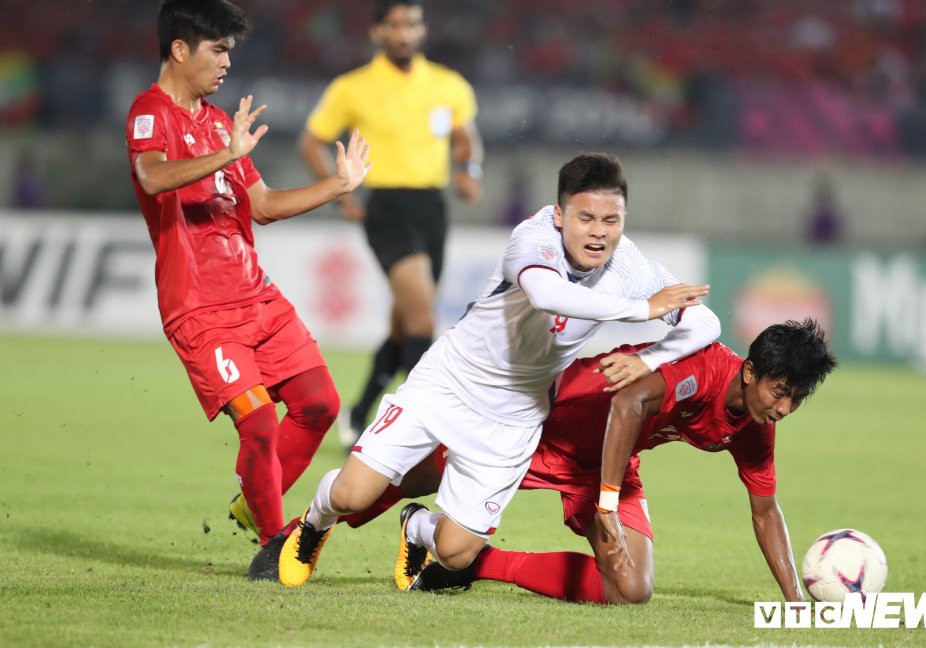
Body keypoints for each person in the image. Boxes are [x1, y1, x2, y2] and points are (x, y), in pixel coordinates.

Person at [273, 152, 721, 587]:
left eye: (612, 221)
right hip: (450, 381)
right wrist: (643, 309)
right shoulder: (534, 238)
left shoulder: (631, 266)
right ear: (561, 214)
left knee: (454, 552)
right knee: (352, 496)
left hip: (514, 417)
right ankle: (315, 523)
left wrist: (648, 358)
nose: (599, 233)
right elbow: (547, 295)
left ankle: (416, 528)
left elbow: (706, 322)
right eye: (586, 218)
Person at [125, 0, 370, 579]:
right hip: (200, 309)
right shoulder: (149, 112)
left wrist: (338, 185)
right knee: (258, 424)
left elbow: (261, 206)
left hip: (257, 298)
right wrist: (226, 154)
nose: (227, 61)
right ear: (180, 49)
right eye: (218, 49)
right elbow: (151, 176)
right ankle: (273, 541)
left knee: (320, 404)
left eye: (231, 49)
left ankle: (251, 498)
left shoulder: (216, 122)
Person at [406, 319, 838, 604]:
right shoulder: (704, 370)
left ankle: (478, 565)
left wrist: (796, 603)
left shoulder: (756, 425)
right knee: (408, 475)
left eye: (795, 400)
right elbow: (629, 401)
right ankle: (406, 521)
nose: (784, 408)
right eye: (779, 392)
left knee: (631, 589)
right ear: (749, 373)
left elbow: (765, 511)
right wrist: (608, 502)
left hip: (607, 461)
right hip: (546, 424)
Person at [298, 0, 483, 448]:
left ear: (422, 30)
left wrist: (467, 170)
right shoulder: (353, 87)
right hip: (386, 208)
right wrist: (338, 190)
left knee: (404, 326)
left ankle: (360, 413)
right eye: (394, 25)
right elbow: (311, 143)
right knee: (423, 317)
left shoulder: (448, 84)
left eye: (412, 24)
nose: (404, 33)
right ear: (378, 33)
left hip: (431, 207)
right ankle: (415, 429)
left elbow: (467, 139)